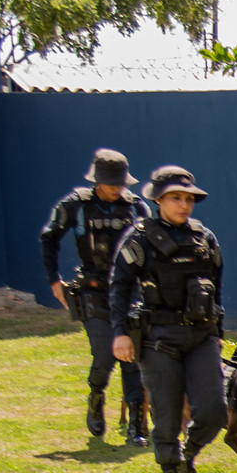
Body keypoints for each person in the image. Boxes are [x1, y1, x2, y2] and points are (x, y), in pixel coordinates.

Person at [107, 166, 226, 473]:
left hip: (201, 336)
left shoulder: (205, 238)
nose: (184, 204)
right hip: (158, 340)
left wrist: (219, 335)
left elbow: (216, 290)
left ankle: (186, 457)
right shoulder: (139, 239)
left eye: (189, 198)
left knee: (213, 412)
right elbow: (120, 287)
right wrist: (120, 332)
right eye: (176, 197)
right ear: (157, 200)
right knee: (166, 419)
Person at [40, 149, 152, 444]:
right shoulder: (76, 205)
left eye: (120, 183)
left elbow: (153, 246)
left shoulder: (137, 207)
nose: (116, 188)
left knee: (133, 356)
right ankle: (96, 394)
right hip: (93, 290)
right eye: (110, 182)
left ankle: (136, 427)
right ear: (96, 180)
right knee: (105, 353)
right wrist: (54, 280)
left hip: (129, 292)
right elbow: (49, 237)